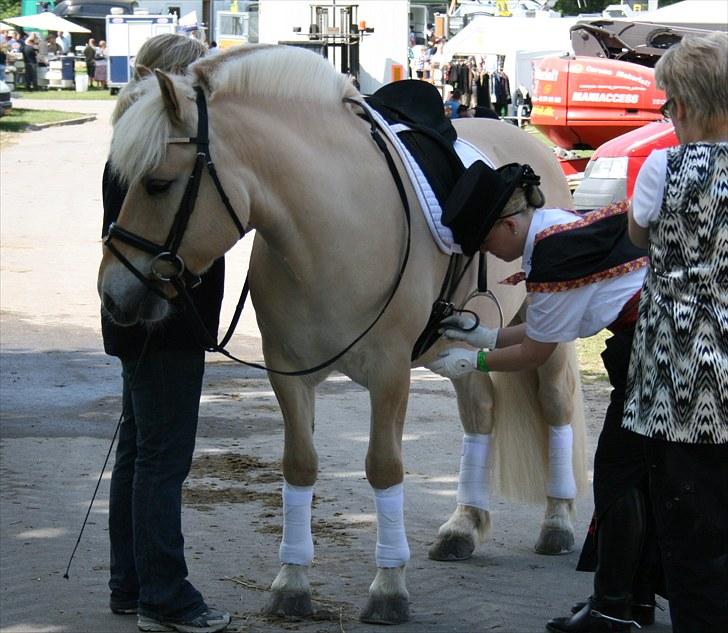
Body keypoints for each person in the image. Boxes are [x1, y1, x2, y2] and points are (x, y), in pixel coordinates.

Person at [428, 161, 660, 632]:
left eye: (487, 241)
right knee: (639, 475)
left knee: (619, 477)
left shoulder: (553, 257)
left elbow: (537, 351)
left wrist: (474, 361)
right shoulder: (554, 229)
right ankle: (632, 600)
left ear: (509, 225)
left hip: (651, 348)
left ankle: (613, 609)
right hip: (652, 341)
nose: (488, 253)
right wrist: (486, 336)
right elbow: (542, 327)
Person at [102, 33, 230, 633]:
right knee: (161, 459)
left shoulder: (133, 135)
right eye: (196, 73)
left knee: (138, 453)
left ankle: (130, 583)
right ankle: (164, 596)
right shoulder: (157, 146)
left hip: (147, 321)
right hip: (163, 321)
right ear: (172, 82)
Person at [622, 32, 728, 633]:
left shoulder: (665, 164)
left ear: (681, 107)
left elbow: (639, 235)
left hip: (679, 379)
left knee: (693, 542)